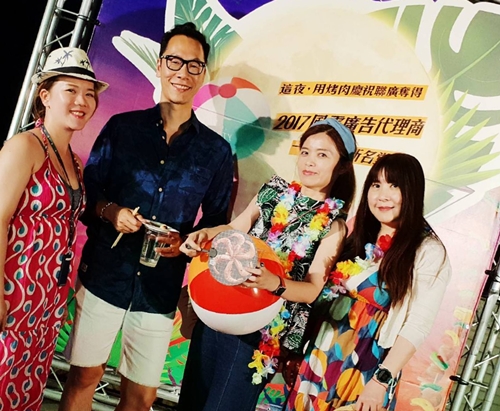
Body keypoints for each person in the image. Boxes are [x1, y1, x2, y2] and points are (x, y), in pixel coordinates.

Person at [58, 22, 234, 411]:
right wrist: (112, 212)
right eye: (174, 61)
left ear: (203, 73)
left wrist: (186, 243)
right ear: (159, 65)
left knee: (141, 397)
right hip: (105, 275)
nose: (183, 72)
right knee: (85, 376)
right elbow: (88, 194)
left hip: (159, 288)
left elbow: (216, 220)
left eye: (193, 65)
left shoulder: (216, 152)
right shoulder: (123, 128)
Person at [177, 117, 357, 411]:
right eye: (306, 151)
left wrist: (274, 284)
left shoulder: (333, 226)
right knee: (190, 404)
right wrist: (204, 234)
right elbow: (234, 229)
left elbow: (312, 289)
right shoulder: (272, 191)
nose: (310, 161)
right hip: (219, 309)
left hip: (259, 334)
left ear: (342, 166)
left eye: (323, 155)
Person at [285, 153, 452, 411]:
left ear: (413, 192)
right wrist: (298, 351)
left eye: (394, 186)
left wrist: (381, 381)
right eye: (376, 185)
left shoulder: (427, 250)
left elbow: (417, 325)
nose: (382, 195)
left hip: (365, 369)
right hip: (317, 360)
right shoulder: (356, 239)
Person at [0, 46, 107, 411]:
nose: (82, 101)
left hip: (47, 300)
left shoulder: (74, 162)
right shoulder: (24, 147)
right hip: (13, 290)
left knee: (26, 389)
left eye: (89, 94)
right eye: (71, 90)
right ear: (45, 96)